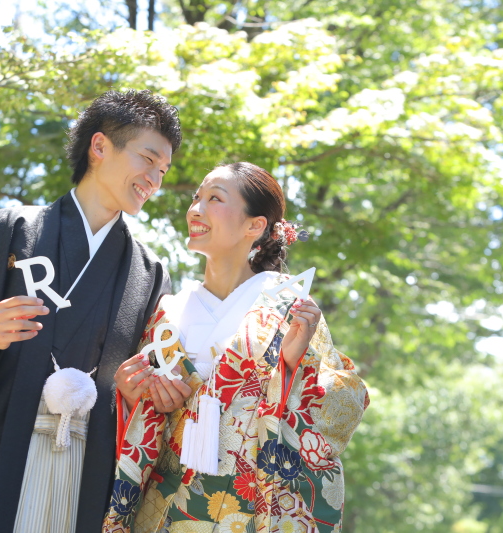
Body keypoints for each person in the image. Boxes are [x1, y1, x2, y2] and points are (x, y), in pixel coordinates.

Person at [0, 89, 190, 533]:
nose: (154, 179)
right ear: (99, 146)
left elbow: (152, 375)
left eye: (163, 170)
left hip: (86, 466)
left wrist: (137, 391)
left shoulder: (148, 274)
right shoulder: (11, 231)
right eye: (147, 159)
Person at [103, 162, 370, 533]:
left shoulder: (287, 306)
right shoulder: (167, 311)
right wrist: (134, 397)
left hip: (249, 510)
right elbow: (140, 419)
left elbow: (343, 406)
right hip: (165, 506)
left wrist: (292, 367)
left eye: (214, 199)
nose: (195, 209)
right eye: (196, 198)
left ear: (254, 226)